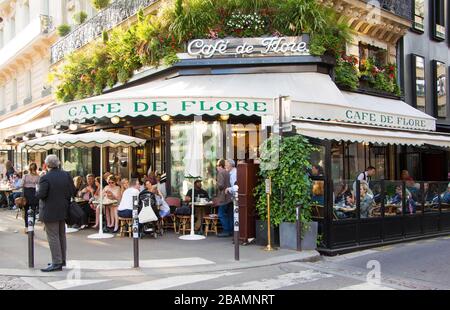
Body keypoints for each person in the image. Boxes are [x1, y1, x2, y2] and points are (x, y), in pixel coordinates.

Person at [36, 155, 76, 272]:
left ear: (47, 164)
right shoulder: (66, 175)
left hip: (50, 210)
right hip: (63, 208)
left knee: (53, 236)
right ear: (58, 163)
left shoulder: (45, 177)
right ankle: (61, 259)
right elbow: (73, 190)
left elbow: (41, 195)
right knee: (61, 235)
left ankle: (56, 262)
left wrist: (37, 191)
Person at [216, 159, 232, 237]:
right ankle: (230, 230)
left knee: (221, 214)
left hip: (223, 196)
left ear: (220, 166)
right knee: (229, 214)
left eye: (217, 165)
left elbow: (221, 185)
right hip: (229, 196)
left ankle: (226, 230)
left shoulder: (220, 173)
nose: (216, 167)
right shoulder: (227, 172)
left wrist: (217, 184)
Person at [22, 163, 40, 230]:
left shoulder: (25, 176)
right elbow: (39, 187)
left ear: (29, 168)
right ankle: (32, 227)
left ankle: (27, 227)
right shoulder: (38, 177)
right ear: (36, 168)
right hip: (33, 194)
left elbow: (22, 185)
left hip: (26, 194)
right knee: (33, 210)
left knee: (26, 210)